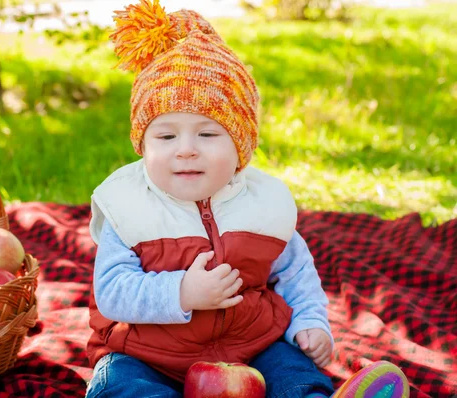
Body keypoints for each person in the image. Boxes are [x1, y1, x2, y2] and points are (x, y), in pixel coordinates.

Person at [85, 1, 410, 397]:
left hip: (248, 347)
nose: (186, 150)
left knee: (292, 368)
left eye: (207, 134)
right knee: (122, 384)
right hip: (146, 352)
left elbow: (294, 272)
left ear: (241, 146)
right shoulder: (128, 206)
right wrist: (182, 294)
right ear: (142, 144)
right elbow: (112, 291)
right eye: (166, 136)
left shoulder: (263, 205)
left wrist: (310, 323)